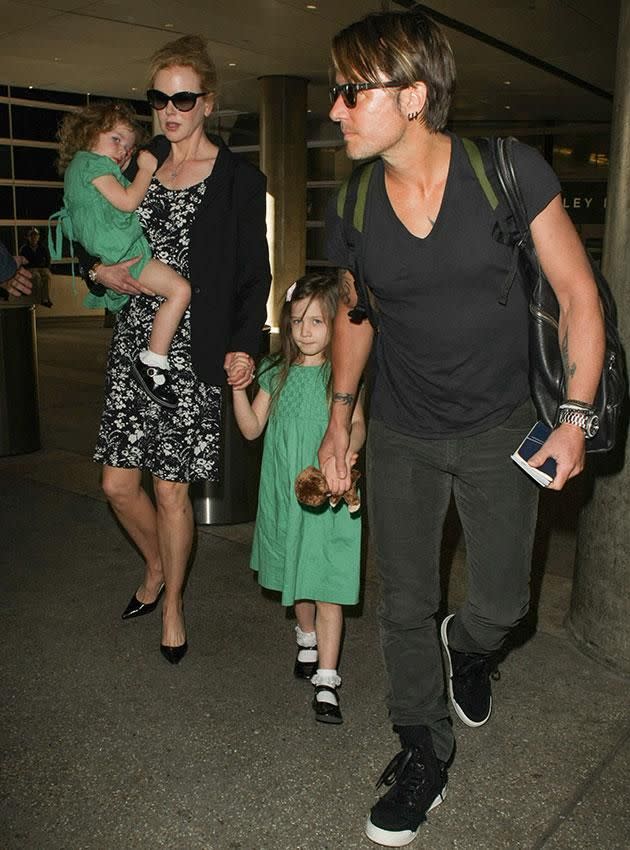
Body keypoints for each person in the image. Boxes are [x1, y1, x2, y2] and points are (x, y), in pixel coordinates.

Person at [318, 9, 605, 847]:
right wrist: (343, 419)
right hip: (404, 430)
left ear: (411, 96)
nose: (335, 110)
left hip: (500, 426)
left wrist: (576, 418)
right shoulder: (356, 198)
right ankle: (421, 750)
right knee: (402, 603)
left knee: (506, 601)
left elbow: (580, 295)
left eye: (350, 92)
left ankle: (470, 646)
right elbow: (356, 314)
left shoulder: (506, 172)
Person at [77, 35, 271, 664]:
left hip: (192, 348)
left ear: (207, 102)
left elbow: (254, 276)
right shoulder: (134, 165)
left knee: (169, 491)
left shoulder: (239, 179)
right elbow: (89, 227)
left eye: (182, 97)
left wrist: (246, 348)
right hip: (137, 336)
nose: (169, 109)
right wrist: (92, 271)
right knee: (115, 485)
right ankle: (158, 563)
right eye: (159, 98)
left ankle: (173, 603)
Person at [232, 273, 364, 724]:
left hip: (327, 491)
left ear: (335, 325)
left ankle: (327, 680)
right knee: (298, 573)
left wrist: (346, 454)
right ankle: (305, 637)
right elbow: (251, 428)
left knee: (326, 580)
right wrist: (237, 389)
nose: (304, 331)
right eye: (295, 322)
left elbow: (358, 424)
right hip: (286, 494)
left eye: (316, 322)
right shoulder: (274, 371)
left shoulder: (340, 376)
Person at [51, 101, 192, 408]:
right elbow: (128, 202)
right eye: (115, 139)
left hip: (114, 254)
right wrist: (144, 168)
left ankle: (152, 358)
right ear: (88, 135)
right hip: (125, 252)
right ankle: (154, 359)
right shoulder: (93, 165)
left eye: (128, 147)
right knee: (180, 290)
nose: (123, 152)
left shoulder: (79, 169)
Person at [18, 228, 53, 308]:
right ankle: (37, 299)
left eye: (35, 236)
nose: (34, 238)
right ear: (28, 238)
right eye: (32, 236)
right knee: (37, 277)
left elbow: (48, 258)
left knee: (47, 276)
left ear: (38, 237)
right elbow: (22, 260)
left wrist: (47, 267)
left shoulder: (42, 248)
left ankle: (45, 299)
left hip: (41, 268)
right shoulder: (24, 249)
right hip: (30, 268)